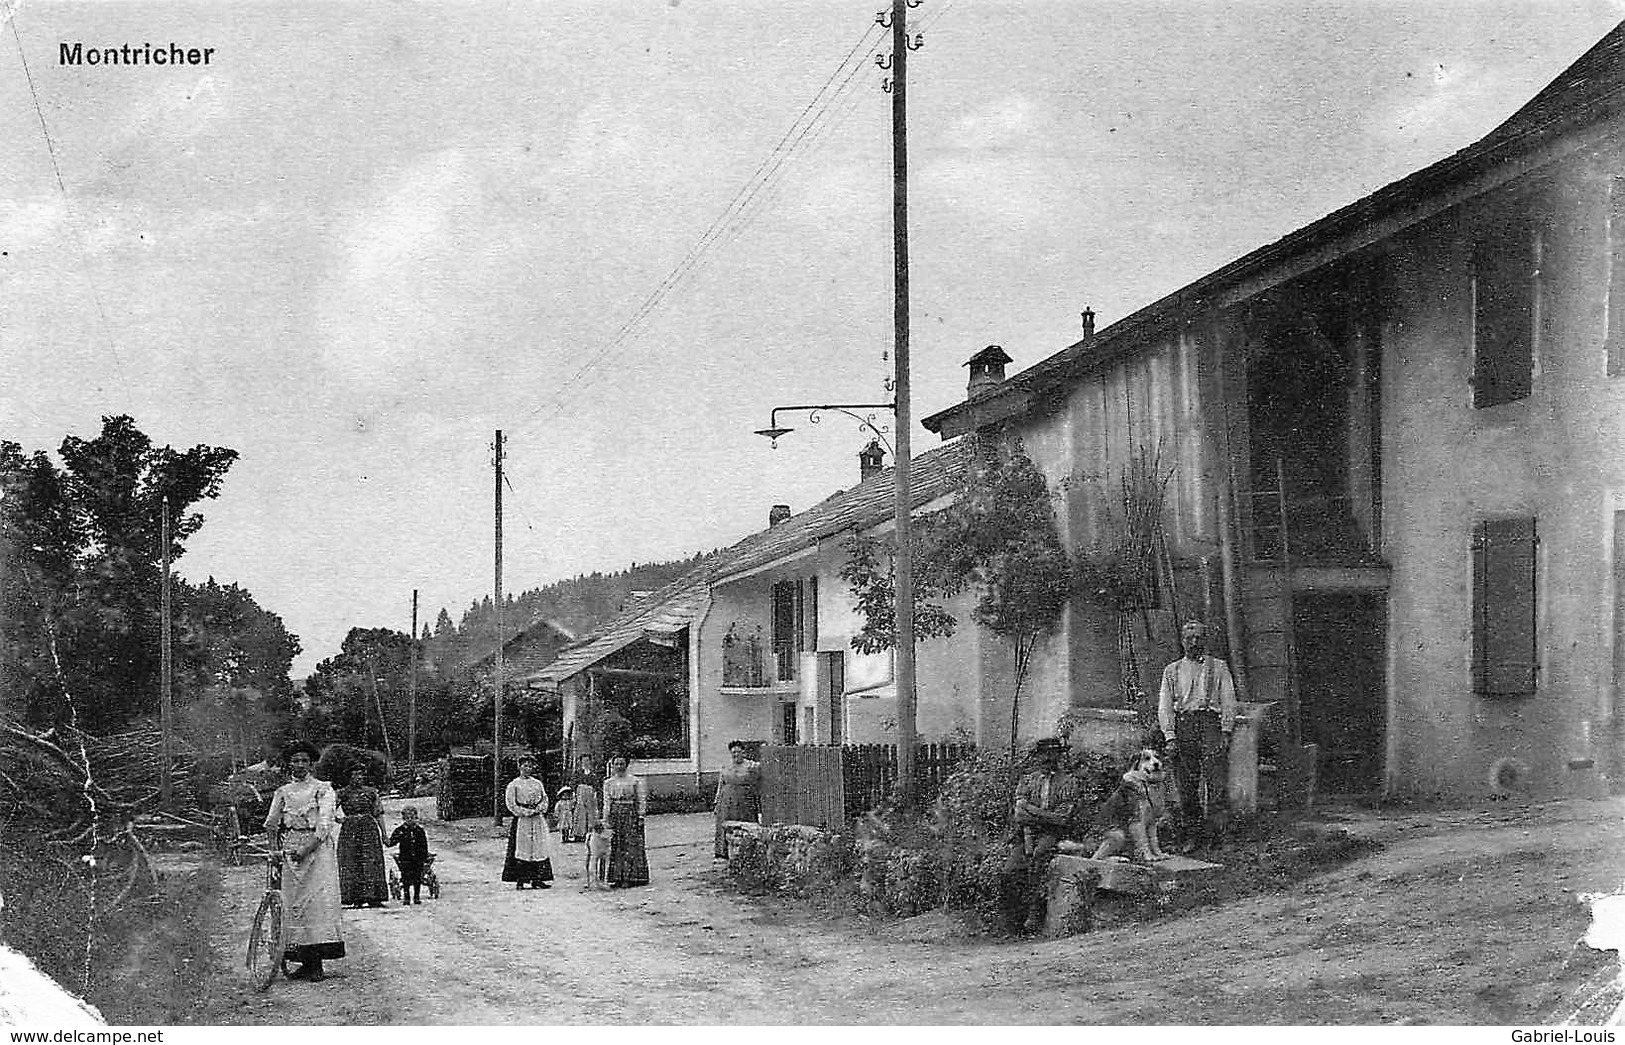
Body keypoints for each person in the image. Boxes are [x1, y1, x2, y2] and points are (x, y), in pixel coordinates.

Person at [264, 740, 344, 981]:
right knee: (294, 904)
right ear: (289, 764)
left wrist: (307, 848)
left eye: (304, 761)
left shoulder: (323, 789)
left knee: (317, 904)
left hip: (317, 852)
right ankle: (304, 962)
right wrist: (274, 851)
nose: (299, 765)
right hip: (291, 850)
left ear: (311, 764)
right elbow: (271, 823)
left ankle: (318, 963)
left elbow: (325, 824)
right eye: (295, 760)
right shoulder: (283, 792)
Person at [1157, 619, 1239, 852]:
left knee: (1217, 782)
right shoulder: (1171, 671)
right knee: (1187, 785)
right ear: (1182, 642)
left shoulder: (1219, 667)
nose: (1194, 643)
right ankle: (1193, 835)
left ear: (1205, 640)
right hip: (1184, 725)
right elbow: (1164, 706)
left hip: (1211, 724)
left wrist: (1226, 730)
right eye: (1189, 639)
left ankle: (1220, 835)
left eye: (1198, 638)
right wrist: (1170, 736)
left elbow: (1229, 699)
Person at [998, 737, 1080, 936]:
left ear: (1058, 757)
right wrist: (1037, 815)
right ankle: (1012, 921)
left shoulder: (1067, 781)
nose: (1048, 759)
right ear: (1037, 757)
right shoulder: (1028, 780)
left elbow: (1062, 818)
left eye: (1052, 755)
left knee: (1039, 857)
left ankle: (1035, 913)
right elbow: (1019, 814)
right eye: (1044, 755)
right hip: (1026, 833)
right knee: (1010, 870)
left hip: (1051, 833)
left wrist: (1031, 810)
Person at [336, 765, 388, 908]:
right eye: (354, 775)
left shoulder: (371, 793)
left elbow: (378, 813)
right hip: (350, 830)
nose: (358, 778)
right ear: (349, 777)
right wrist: (340, 819)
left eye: (360, 775)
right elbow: (328, 810)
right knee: (352, 860)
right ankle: (355, 897)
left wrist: (384, 834)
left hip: (368, 829)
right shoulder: (342, 793)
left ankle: (374, 897)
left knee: (371, 859)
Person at [502, 755, 555, 890]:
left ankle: (537, 879)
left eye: (530, 766)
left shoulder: (537, 783)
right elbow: (511, 803)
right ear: (519, 767)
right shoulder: (514, 784)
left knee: (538, 847)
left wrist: (540, 808)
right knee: (523, 848)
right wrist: (524, 812)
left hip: (537, 819)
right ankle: (520, 880)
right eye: (525, 765)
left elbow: (545, 798)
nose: (527, 768)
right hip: (523, 820)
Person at [601, 754, 650, 888]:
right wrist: (606, 819)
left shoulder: (634, 781)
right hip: (615, 815)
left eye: (622, 764)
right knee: (616, 845)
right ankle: (617, 877)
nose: (619, 766)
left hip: (630, 814)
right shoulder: (608, 782)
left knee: (631, 845)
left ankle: (632, 877)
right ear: (613, 766)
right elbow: (607, 802)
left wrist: (641, 816)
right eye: (616, 764)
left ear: (626, 765)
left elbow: (641, 799)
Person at [713, 740, 761, 859]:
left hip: (745, 799)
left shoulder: (752, 766)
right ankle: (723, 851)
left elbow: (759, 783)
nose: (736, 755)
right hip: (727, 799)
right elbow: (721, 784)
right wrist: (716, 802)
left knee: (745, 823)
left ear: (743, 752)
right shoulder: (726, 766)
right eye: (733, 752)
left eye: (738, 752)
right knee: (724, 822)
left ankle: (748, 850)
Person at [386, 805, 430, 905]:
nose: (410, 820)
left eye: (412, 818)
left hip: (418, 858)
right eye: (407, 818)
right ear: (404, 819)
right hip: (405, 858)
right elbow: (392, 841)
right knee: (405, 877)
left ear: (416, 818)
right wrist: (386, 841)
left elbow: (424, 845)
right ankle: (406, 897)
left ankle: (416, 897)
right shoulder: (400, 830)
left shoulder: (420, 831)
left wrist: (424, 856)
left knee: (417, 877)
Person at [569, 755, 601, 840]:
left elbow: (597, 785)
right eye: (584, 761)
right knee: (580, 812)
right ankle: (579, 834)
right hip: (580, 793)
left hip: (590, 794)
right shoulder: (577, 773)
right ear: (581, 762)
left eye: (587, 760)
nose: (585, 762)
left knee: (591, 813)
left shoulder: (593, 773)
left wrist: (595, 793)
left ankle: (590, 832)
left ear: (590, 761)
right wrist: (574, 794)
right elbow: (573, 784)